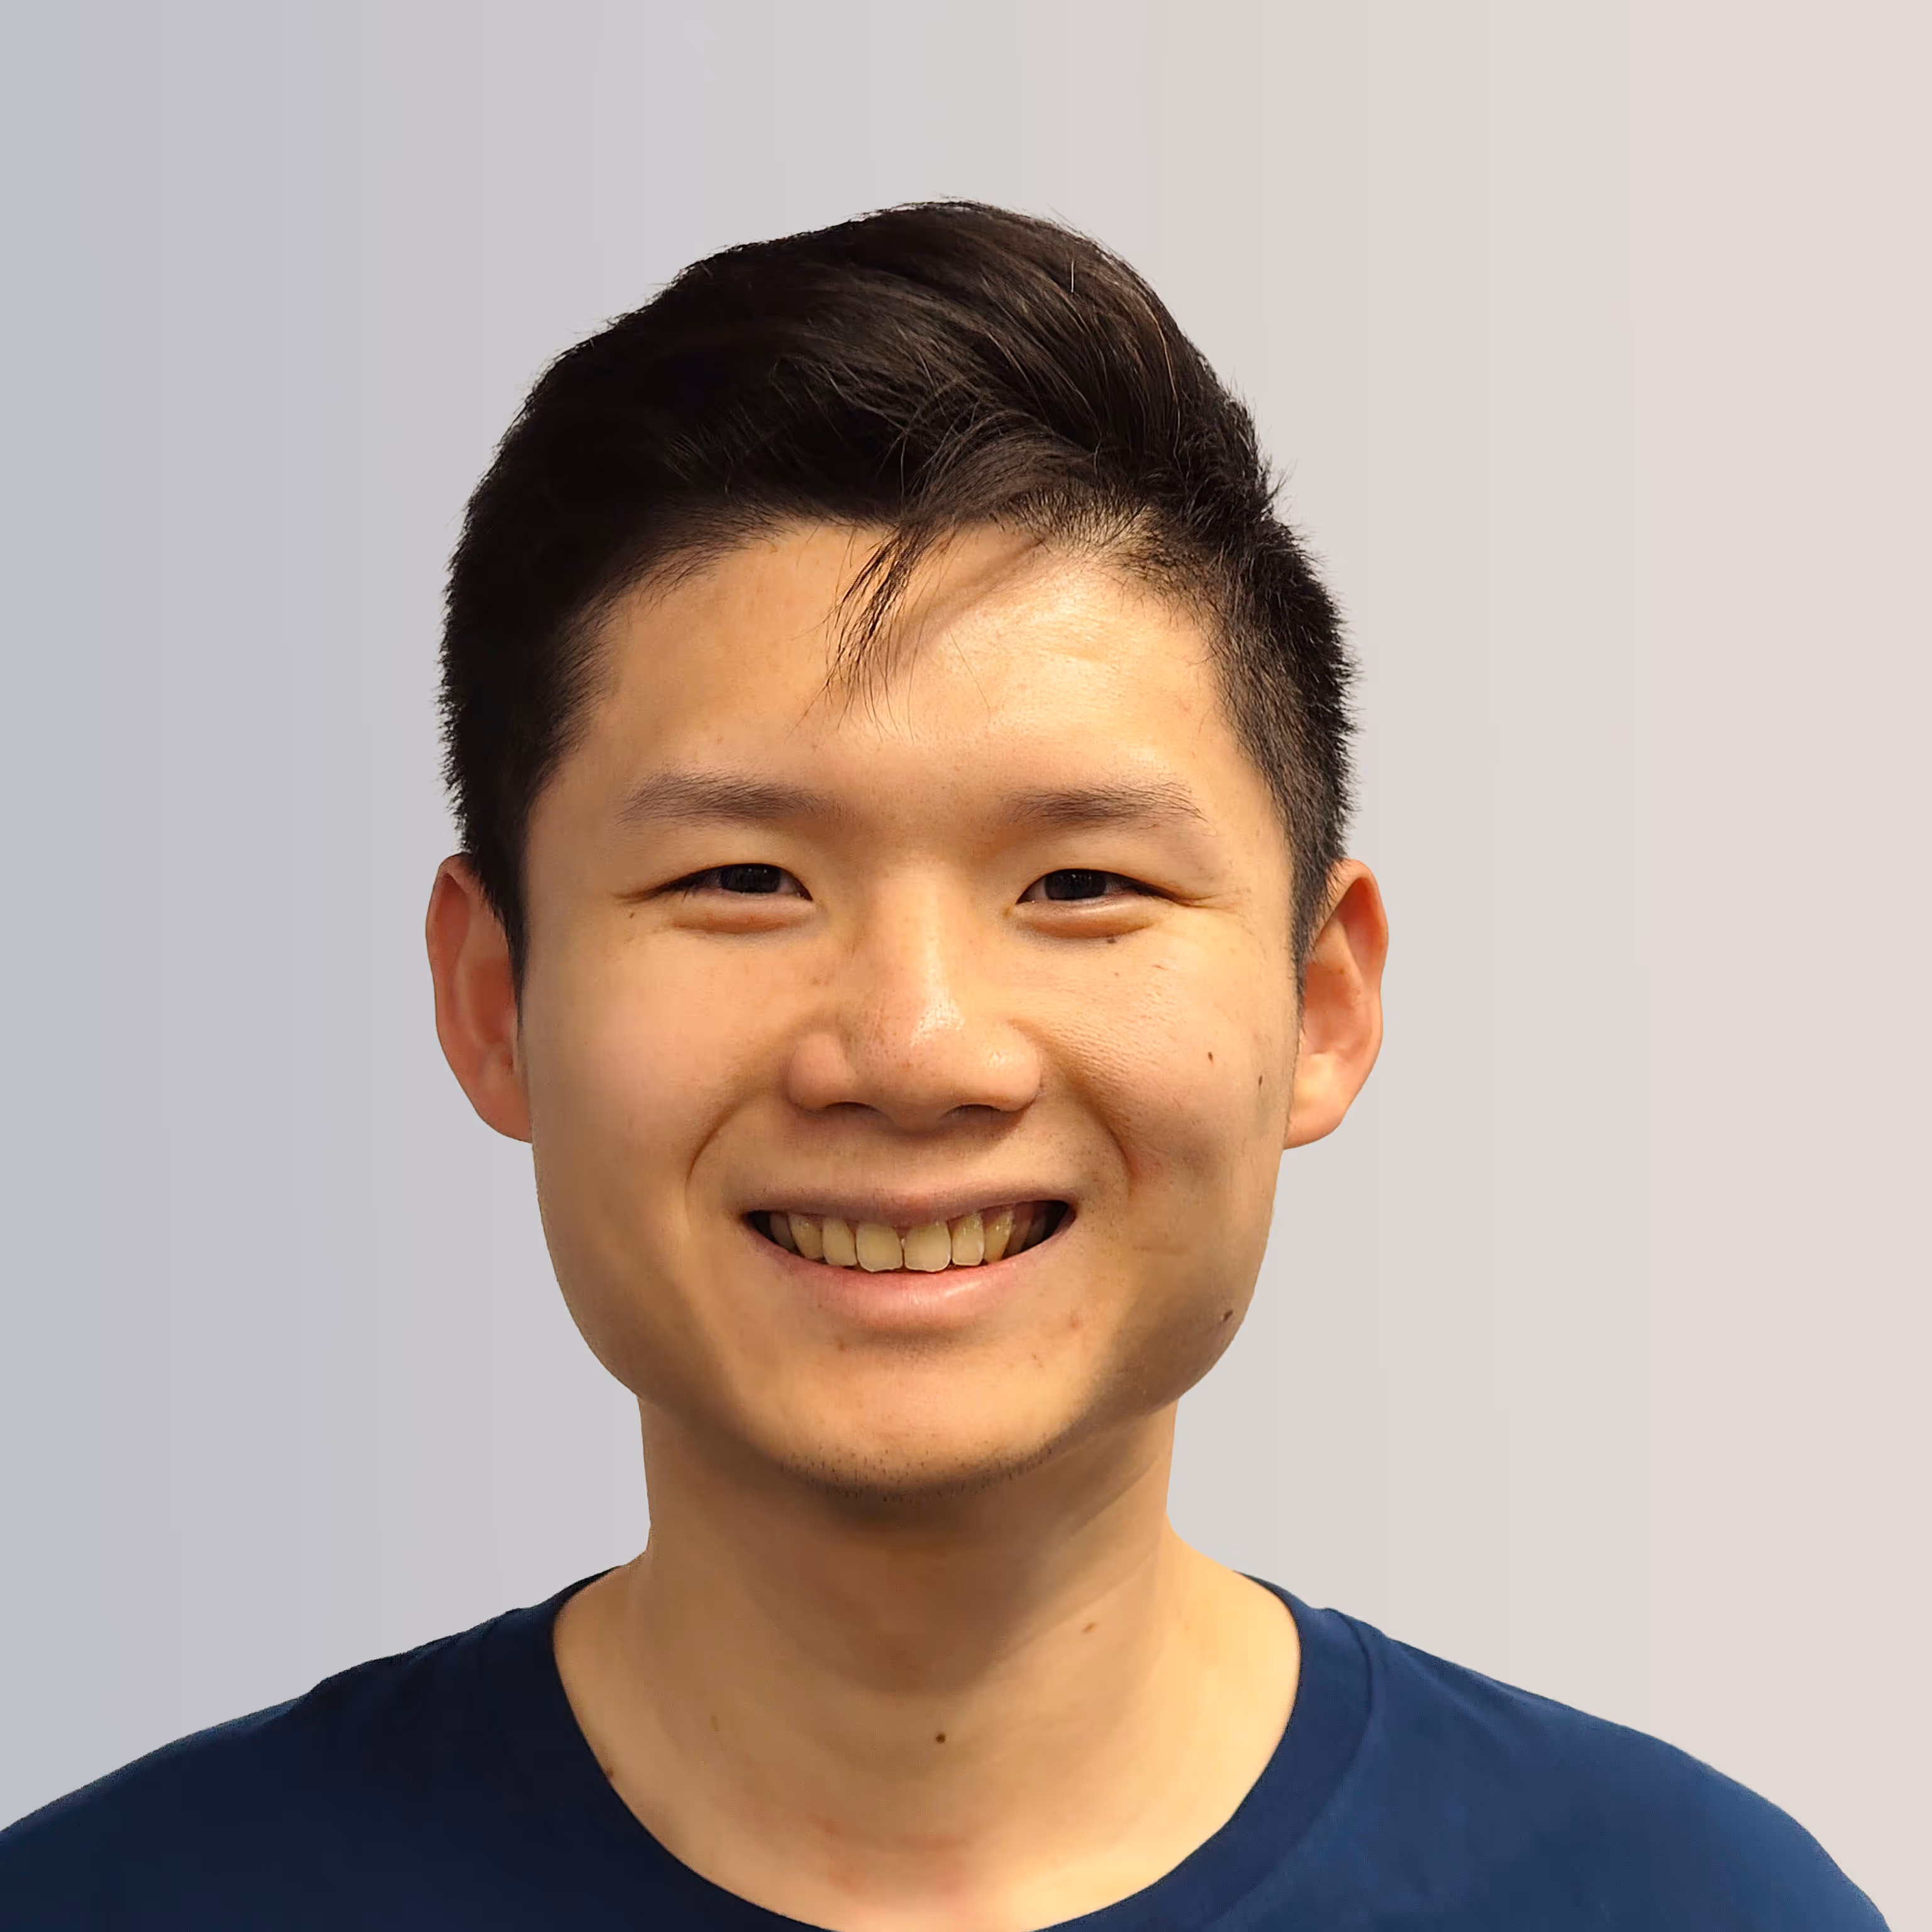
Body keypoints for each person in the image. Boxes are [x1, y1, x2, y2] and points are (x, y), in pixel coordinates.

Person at [0, 201, 1886, 1931]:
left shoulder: (1683, 1904)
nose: (915, 1049)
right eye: (742, 879)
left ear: (1322, 1007)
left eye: (1078, 882)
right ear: (493, 997)